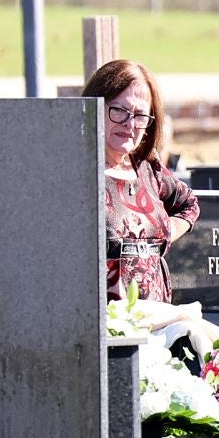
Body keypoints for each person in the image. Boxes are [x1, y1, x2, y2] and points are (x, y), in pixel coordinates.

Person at [86, 58, 197, 305]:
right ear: (95, 106)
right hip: (107, 321)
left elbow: (189, 204)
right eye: (119, 111)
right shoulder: (76, 172)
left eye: (140, 116)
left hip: (159, 319)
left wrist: (165, 233)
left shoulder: (147, 168)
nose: (129, 124)